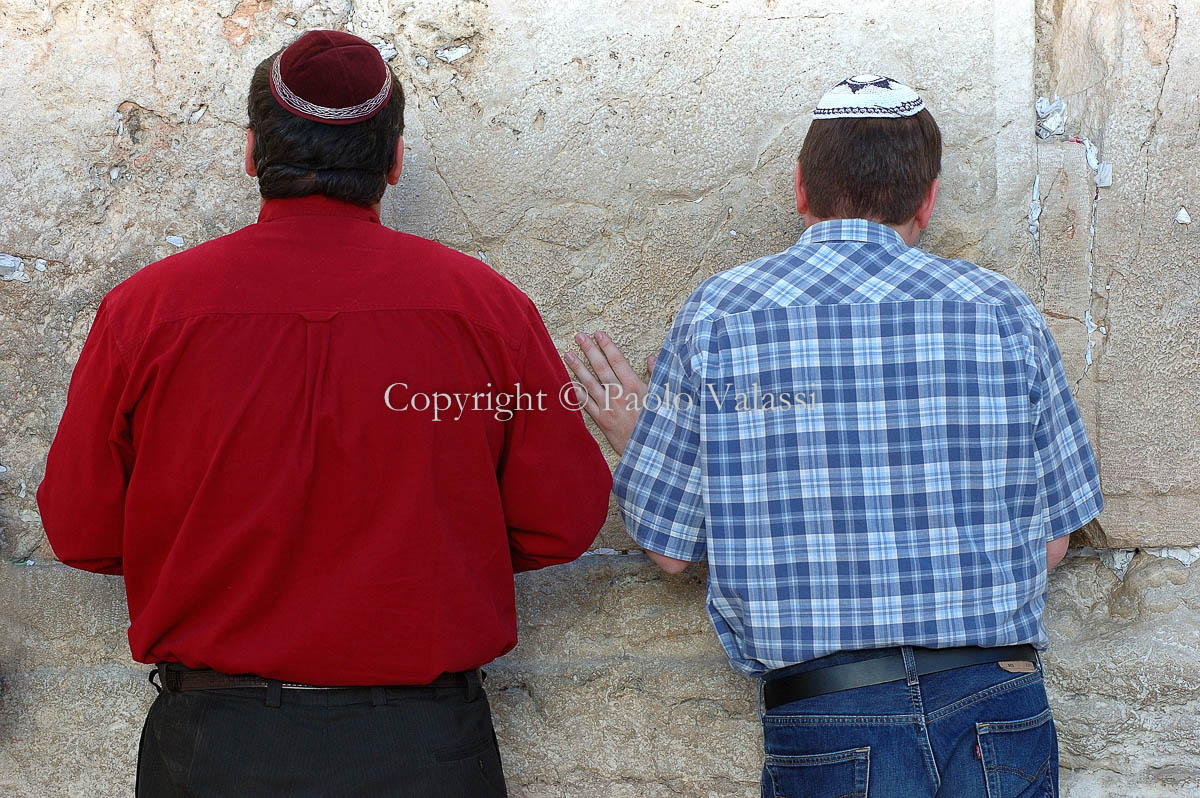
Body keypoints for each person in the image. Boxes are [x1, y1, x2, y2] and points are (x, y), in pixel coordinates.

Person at [37, 29, 612, 797]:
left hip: (214, 750)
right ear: (395, 159)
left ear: (251, 153)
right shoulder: (485, 309)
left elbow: (80, 529)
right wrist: (428, 549)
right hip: (425, 750)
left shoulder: (147, 311)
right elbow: (563, 520)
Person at [566, 74, 1102, 798]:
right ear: (928, 198)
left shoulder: (722, 314)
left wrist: (643, 434)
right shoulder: (1002, 309)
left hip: (830, 712)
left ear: (799, 187)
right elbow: (1053, 541)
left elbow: (668, 551)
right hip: (996, 706)